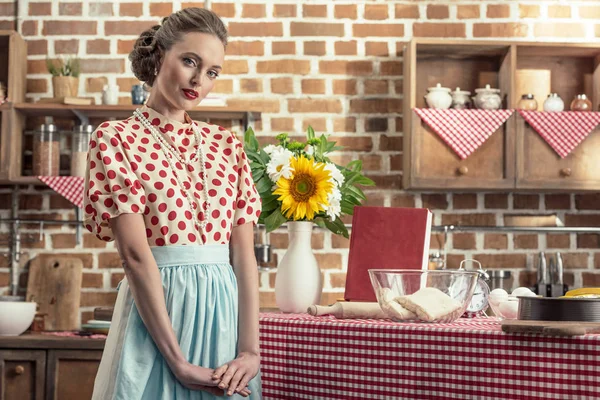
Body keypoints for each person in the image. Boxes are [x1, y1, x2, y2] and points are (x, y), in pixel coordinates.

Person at [84, 7, 262, 399]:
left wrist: (250, 352)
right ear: (160, 55)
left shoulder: (227, 145)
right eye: (189, 61)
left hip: (224, 326)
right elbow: (134, 255)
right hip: (157, 325)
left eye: (212, 72)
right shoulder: (115, 139)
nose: (199, 80)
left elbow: (245, 258)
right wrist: (179, 363)